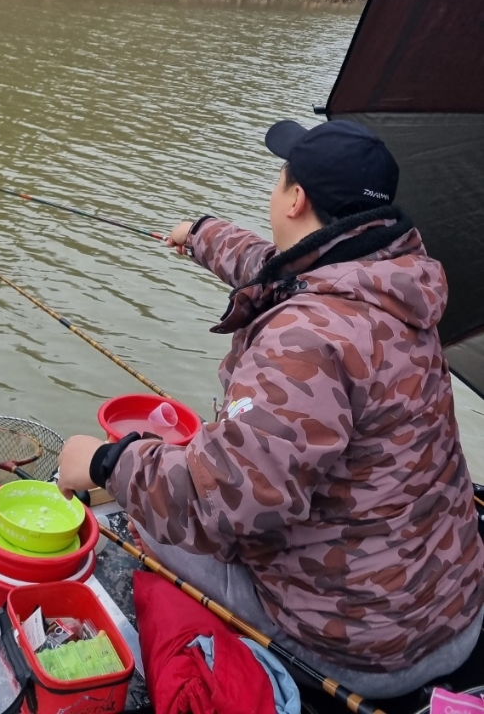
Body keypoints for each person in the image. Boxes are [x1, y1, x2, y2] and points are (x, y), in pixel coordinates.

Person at [58, 119, 484, 697]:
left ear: (295, 198)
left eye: (280, 177)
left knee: (149, 519)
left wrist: (105, 463)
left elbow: (221, 501)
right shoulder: (395, 284)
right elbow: (286, 268)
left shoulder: (304, 339)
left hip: (368, 654)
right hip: (453, 616)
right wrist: (203, 234)